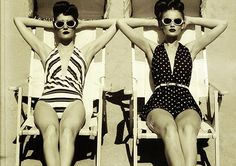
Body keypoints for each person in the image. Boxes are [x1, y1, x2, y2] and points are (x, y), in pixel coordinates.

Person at [117, 0, 227, 165]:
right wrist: (154, 22)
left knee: (188, 129)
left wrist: (191, 20)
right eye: (167, 21)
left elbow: (222, 24)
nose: (173, 24)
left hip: (186, 102)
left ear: (182, 24)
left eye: (177, 21)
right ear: (162, 24)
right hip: (159, 102)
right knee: (169, 129)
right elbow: (121, 23)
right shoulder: (152, 48)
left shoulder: (191, 48)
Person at [14, 1, 117, 166]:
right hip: (46, 102)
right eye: (60, 23)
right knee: (50, 131)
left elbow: (114, 25)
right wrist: (50, 23)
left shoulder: (85, 52)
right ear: (55, 25)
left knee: (68, 132)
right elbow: (18, 21)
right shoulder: (45, 51)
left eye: (70, 23)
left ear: (75, 24)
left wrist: (83, 24)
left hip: (73, 103)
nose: (65, 27)